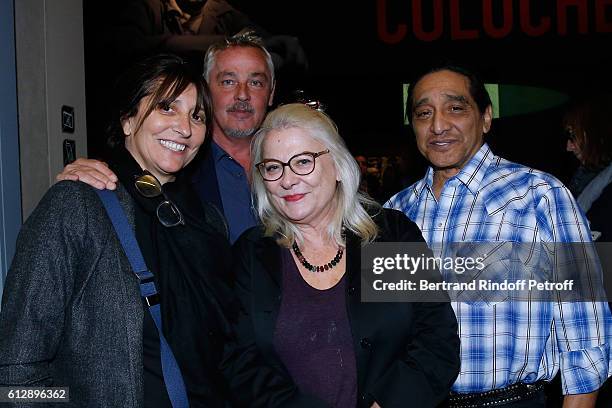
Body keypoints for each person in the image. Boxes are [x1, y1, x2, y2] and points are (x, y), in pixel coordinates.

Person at [0, 54, 312, 408]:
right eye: (167, 108)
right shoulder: (77, 207)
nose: (184, 127)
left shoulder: (206, 221)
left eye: (197, 116)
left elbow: (228, 351)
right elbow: (14, 376)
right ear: (128, 120)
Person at [385, 64, 612, 407]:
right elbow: (384, 329)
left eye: (456, 108)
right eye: (423, 113)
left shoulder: (540, 196)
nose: (438, 125)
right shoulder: (393, 213)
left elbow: (585, 327)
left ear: (486, 118)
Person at [230, 103, 460, 407]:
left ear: (338, 166)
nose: (287, 180)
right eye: (273, 167)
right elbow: (242, 365)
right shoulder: (253, 254)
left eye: (303, 162)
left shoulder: (387, 237)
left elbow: (436, 342)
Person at [59, 31, 276, 243]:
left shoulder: (297, 165)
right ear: (205, 90)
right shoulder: (173, 162)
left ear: (271, 93)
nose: (242, 94)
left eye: (256, 82)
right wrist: (86, 179)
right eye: (228, 81)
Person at [563, 93, 612, 242]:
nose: (568, 147)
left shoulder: (607, 196)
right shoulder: (586, 177)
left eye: (573, 137)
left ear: (593, 134)